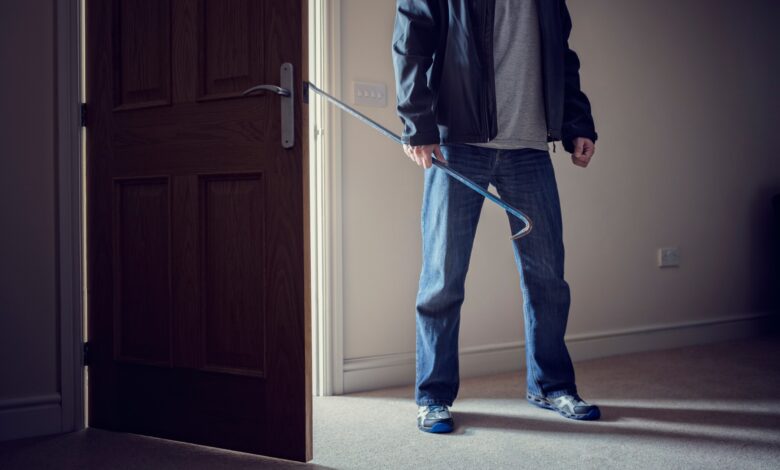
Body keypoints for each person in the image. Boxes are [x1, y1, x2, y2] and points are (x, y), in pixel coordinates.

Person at [391, 0, 600, 433]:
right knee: (442, 279)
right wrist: (418, 124)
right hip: (457, 143)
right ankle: (433, 396)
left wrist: (578, 123)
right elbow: (411, 41)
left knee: (548, 279)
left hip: (530, 145)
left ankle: (551, 385)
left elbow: (561, 56)